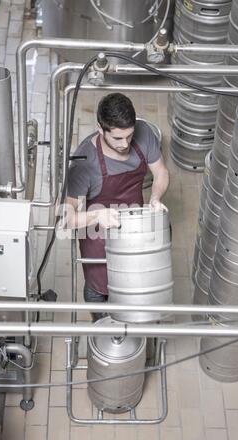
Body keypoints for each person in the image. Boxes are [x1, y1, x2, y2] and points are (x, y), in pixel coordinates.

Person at [65, 93, 169, 320]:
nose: (126, 144)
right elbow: (66, 218)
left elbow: (161, 171)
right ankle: (101, 324)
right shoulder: (84, 162)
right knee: (98, 289)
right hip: (97, 236)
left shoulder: (144, 133)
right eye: (118, 139)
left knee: (135, 288)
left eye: (129, 136)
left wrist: (155, 196)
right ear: (101, 129)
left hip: (134, 229)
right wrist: (97, 215)